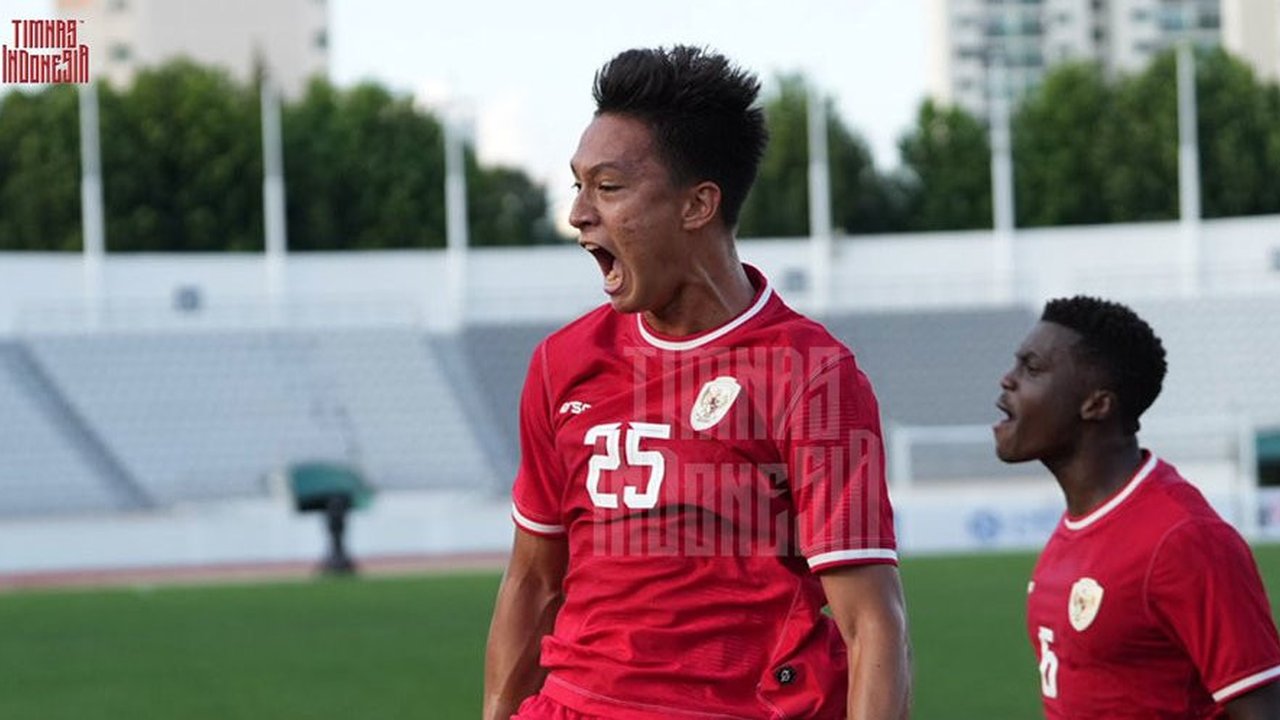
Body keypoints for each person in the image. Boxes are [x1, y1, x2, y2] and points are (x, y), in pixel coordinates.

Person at [483, 46, 909, 720]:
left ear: (697, 204)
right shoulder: (562, 363)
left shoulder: (814, 376)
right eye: (578, 185)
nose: (579, 214)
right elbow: (534, 580)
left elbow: (872, 624)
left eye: (609, 187)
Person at [994, 295, 1280, 718]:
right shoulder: (1081, 523)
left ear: (1097, 404)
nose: (1007, 380)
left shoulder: (1184, 539)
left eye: (1032, 368)